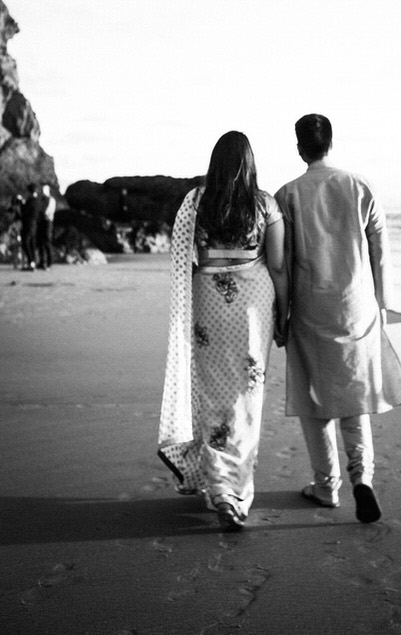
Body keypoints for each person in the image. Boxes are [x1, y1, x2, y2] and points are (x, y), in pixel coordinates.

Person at [275, 113, 401, 524]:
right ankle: (362, 477)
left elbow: (282, 261)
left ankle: (326, 486)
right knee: (356, 399)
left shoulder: (288, 194)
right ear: (331, 143)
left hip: (309, 306)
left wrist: (281, 314)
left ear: (300, 148)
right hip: (357, 306)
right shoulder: (360, 185)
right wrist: (383, 303)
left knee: (313, 398)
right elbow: (380, 250)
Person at [158, 132, 287, 532]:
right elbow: (279, 264)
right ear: (250, 163)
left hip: (208, 301)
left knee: (210, 395)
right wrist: (285, 311)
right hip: (253, 305)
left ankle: (219, 489)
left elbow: (184, 257)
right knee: (247, 400)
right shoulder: (265, 204)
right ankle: (235, 491)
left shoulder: (195, 202)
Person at [37, 183, 57, 269]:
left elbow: (46, 211)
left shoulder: (51, 200)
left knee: (47, 241)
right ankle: (42, 261)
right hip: (41, 221)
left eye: (43, 190)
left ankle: (50, 262)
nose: (42, 191)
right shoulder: (41, 200)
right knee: (40, 242)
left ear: (47, 190)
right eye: (41, 190)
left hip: (47, 222)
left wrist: (39, 213)